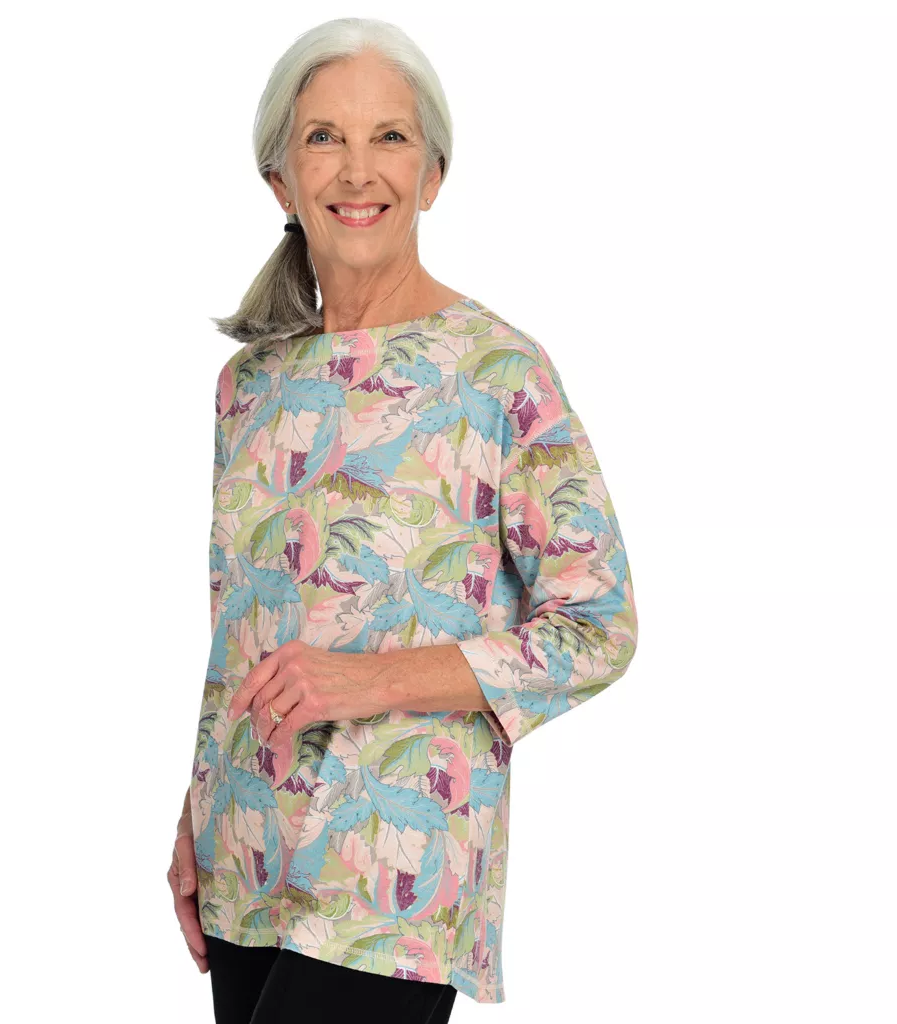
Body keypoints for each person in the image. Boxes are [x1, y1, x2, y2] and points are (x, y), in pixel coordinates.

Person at [167, 17, 639, 1021]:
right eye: (323, 137)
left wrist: (372, 679)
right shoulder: (248, 386)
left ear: (432, 175)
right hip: (246, 849)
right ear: (280, 181)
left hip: (395, 879)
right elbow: (237, 635)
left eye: (389, 136)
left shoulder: (496, 373)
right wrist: (194, 812)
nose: (357, 169)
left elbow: (597, 625)